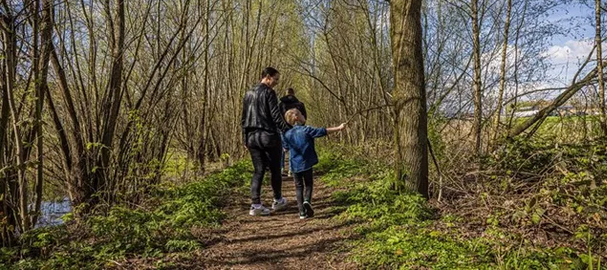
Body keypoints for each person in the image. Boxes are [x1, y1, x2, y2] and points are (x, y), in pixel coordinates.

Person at [241, 67, 292, 216]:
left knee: (258, 170)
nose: (276, 83)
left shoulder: (248, 93)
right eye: (275, 79)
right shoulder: (269, 92)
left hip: (252, 137)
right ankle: (277, 200)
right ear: (268, 77)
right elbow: (276, 116)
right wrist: (288, 130)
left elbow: (244, 119)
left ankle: (256, 205)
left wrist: (245, 138)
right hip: (268, 136)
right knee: (275, 169)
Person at [282, 108, 347, 219]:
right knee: (309, 184)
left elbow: (285, 148)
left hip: (295, 165)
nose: (304, 115)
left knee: (298, 187)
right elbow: (322, 131)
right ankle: (307, 201)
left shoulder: (287, 134)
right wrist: (339, 128)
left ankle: (302, 212)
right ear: (297, 117)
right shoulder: (307, 130)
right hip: (307, 162)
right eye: (302, 114)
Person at [278, 88, 307, 176]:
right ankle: (292, 169)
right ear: (293, 94)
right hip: (297, 129)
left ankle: (281, 169)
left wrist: (281, 127)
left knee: (282, 149)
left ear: (285, 94)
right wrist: (300, 127)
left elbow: (278, 117)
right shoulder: (300, 104)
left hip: (283, 129)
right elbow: (304, 117)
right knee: (293, 149)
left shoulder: (281, 104)